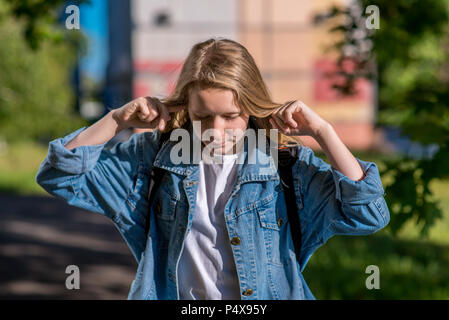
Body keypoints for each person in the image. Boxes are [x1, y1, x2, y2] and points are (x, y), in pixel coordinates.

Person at [35, 38, 390, 300]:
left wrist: (324, 133)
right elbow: (60, 175)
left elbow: (369, 214)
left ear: (251, 108)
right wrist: (115, 120)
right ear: (185, 108)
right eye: (203, 116)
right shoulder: (155, 156)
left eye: (231, 116)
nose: (216, 131)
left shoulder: (285, 164)